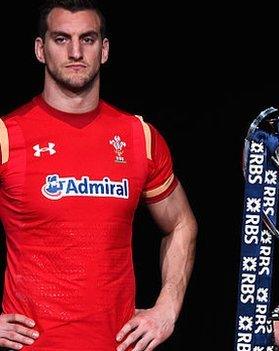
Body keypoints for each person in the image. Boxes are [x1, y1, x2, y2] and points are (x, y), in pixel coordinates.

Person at [0, 1, 197, 350]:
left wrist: (167, 308)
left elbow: (181, 223)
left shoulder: (139, 137)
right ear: (39, 49)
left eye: (87, 39)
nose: (75, 52)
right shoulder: (7, 135)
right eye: (61, 39)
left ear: (104, 50)